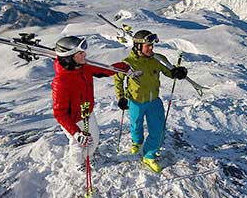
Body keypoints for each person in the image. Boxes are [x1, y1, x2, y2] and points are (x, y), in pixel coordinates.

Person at [51, 35, 129, 172]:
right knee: (78, 144)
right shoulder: (61, 82)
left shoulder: (83, 67)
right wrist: (76, 133)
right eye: (80, 53)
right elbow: (59, 113)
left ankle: (88, 156)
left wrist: (123, 67)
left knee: (94, 139)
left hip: (86, 111)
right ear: (69, 57)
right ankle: (78, 162)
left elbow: (103, 70)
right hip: (73, 119)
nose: (85, 54)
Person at [114, 30, 188, 173]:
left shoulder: (157, 59)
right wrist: (121, 97)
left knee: (158, 129)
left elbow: (169, 71)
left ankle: (149, 155)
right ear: (138, 46)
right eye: (148, 46)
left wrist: (177, 72)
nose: (151, 48)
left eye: (152, 46)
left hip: (154, 101)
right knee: (136, 125)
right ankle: (137, 141)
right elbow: (118, 79)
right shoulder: (128, 63)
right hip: (135, 101)